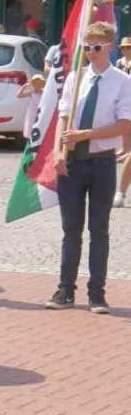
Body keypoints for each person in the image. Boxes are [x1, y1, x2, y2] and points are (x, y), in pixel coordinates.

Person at [45, 22, 131, 313]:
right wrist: (58, 151)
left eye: (96, 47)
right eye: (86, 47)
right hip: (72, 162)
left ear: (110, 47)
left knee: (99, 229)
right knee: (71, 229)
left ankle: (97, 293)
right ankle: (65, 290)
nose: (91, 53)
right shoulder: (76, 77)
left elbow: (125, 125)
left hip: (102, 162)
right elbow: (63, 117)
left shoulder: (122, 81)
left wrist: (86, 135)